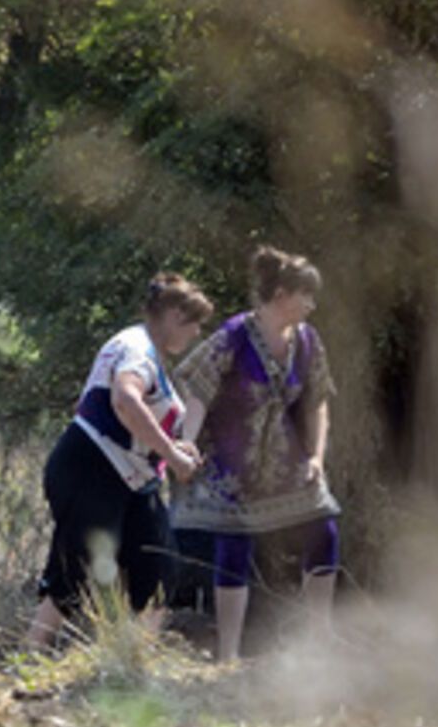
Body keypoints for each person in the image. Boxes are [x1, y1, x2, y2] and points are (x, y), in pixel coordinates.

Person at [26, 273, 213, 646]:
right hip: (92, 465)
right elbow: (126, 401)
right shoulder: (135, 346)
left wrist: (178, 446)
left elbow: (144, 422)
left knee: (160, 567)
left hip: (131, 479)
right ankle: (29, 655)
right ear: (175, 315)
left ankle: (133, 664)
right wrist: (172, 454)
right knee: (77, 568)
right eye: (194, 324)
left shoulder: (150, 356)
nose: (196, 334)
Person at [173, 245, 340, 662]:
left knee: (324, 528)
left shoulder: (307, 340)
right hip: (234, 462)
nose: (312, 305)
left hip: (286, 457)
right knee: (234, 545)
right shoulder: (234, 336)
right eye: (306, 295)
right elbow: (199, 389)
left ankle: (320, 640)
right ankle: (228, 654)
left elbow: (319, 400)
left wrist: (317, 457)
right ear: (282, 294)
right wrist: (186, 442)